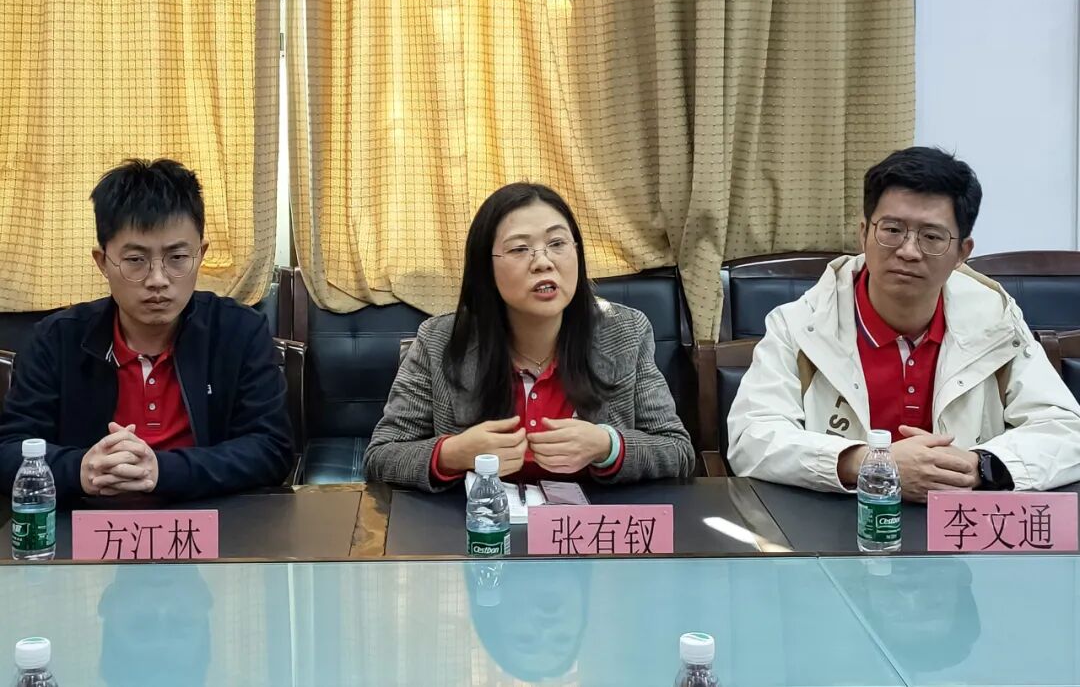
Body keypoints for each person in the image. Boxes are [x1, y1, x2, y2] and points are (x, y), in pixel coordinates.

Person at [728, 146, 1080, 500]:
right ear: (863, 234)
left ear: (962, 252)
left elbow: (1066, 432)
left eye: (932, 237)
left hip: (959, 522)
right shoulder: (799, 324)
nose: (909, 251)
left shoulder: (996, 321)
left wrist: (980, 467)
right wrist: (868, 464)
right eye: (893, 230)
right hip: (835, 519)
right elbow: (752, 438)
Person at [363, 182, 694, 490]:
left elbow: (678, 451)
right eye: (520, 249)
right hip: (478, 526)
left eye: (557, 243)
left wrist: (608, 446)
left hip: (585, 528)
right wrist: (453, 454)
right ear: (485, 268)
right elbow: (382, 456)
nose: (543, 262)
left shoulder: (624, 331)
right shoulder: (440, 341)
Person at [0, 159, 293, 501]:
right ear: (102, 262)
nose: (157, 280)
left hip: (207, 521)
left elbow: (271, 448)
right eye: (136, 260)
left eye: (177, 258)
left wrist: (162, 471)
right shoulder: (55, 339)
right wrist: (81, 469)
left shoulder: (239, 331)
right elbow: (10, 450)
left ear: (200, 254)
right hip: (90, 522)